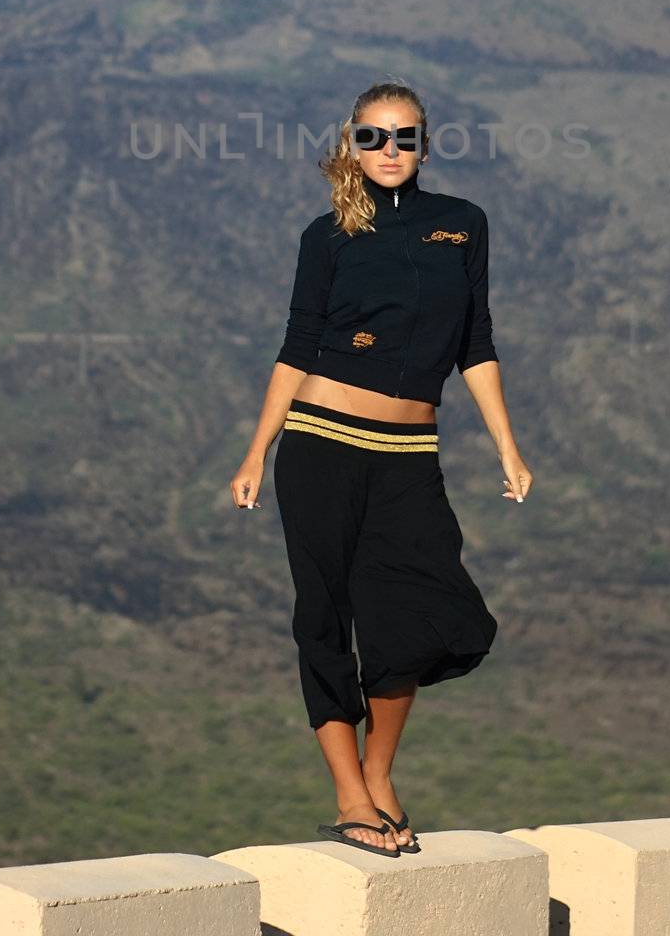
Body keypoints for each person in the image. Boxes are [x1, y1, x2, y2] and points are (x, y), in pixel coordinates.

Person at [230, 79, 533, 857]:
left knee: (423, 616)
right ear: (351, 144)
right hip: (320, 444)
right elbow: (297, 348)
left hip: (408, 454)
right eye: (373, 137)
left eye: (404, 137)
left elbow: (478, 343)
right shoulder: (325, 236)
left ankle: (378, 769)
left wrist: (507, 443)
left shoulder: (462, 226)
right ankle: (352, 797)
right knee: (325, 618)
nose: (389, 151)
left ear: (426, 145)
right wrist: (256, 451)